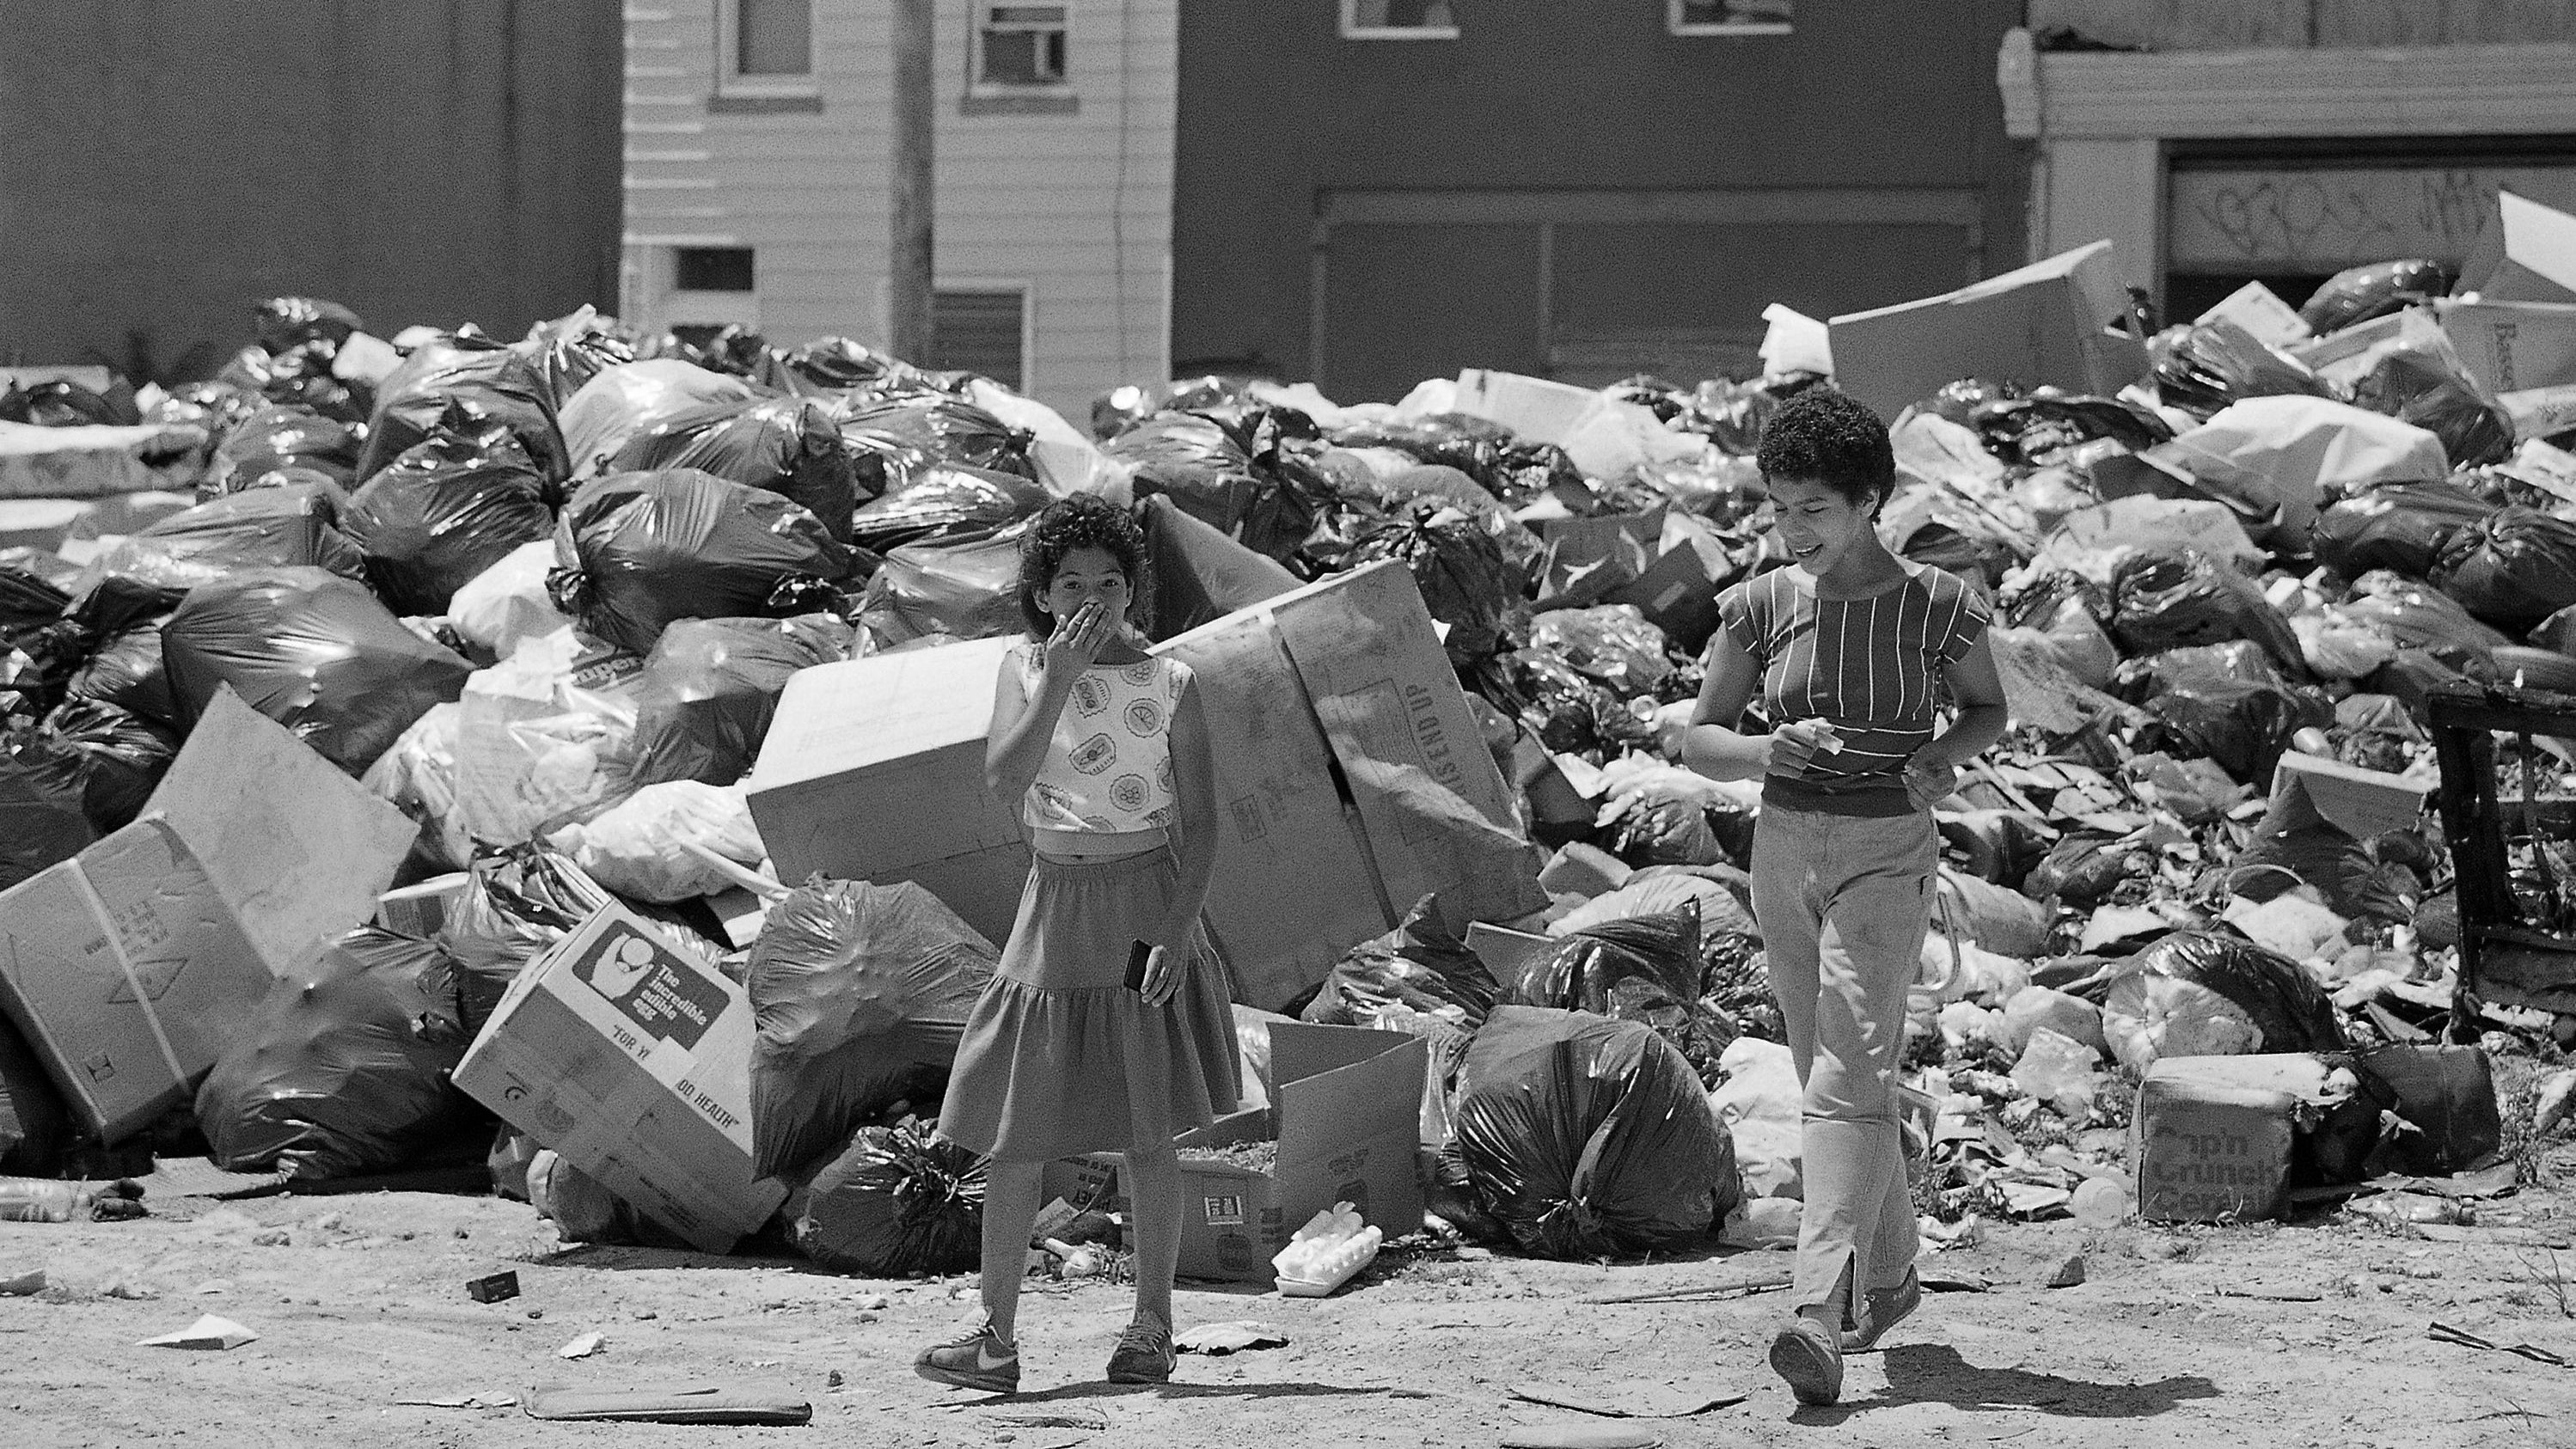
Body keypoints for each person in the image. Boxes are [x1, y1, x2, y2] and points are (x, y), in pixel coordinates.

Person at [1680, 388, 2010, 1406]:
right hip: (1782, 848)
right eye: (1780, 508)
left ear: (1870, 501)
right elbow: (1698, 736)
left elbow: (1988, 710)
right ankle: (1896, 1272)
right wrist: (1765, 748)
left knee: (1851, 1070)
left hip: (1886, 849)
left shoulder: (1940, 605)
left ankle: (1818, 1308)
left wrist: (1944, 759)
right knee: (1828, 1070)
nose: (1793, 529)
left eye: (1813, 509)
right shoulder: (1761, 603)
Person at [915, 493, 1240, 1395]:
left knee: (1148, 1132)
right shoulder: (1024, 669)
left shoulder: (1173, 683)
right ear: (1042, 595)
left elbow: (1206, 825)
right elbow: (1002, 782)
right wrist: (1060, 679)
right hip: (1053, 910)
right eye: (1070, 583)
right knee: (1017, 1132)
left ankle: (1152, 1331)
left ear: (1134, 587)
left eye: (1108, 580)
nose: (1091, 596)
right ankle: (994, 1341)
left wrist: (1177, 932)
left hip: (1145, 907)